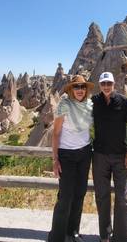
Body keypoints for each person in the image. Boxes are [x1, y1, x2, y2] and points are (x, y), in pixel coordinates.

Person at [92, 72, 127, 242]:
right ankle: (105, 235)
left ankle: (121, 238)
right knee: (102, 197)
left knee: (122, 199)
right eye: (103, 83)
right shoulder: (94, 101)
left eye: (108, 83)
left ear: (114, 84)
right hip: (99, 156)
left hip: (120, 157)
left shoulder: (124, 102)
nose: (106, 86)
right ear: (99, 85)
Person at [48, 75, 94, 242]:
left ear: (86, 89)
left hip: (85, 153)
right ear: (71, 89)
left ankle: (73, 231)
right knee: (65, 196)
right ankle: (57, 236)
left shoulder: (89, 105)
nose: (80, 90)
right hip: (66, 155)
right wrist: (55, 159)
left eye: (82, 87)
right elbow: (56, 133)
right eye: (76, 87)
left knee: (80, 193)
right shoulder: (64, 105)